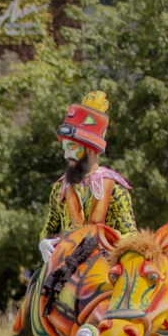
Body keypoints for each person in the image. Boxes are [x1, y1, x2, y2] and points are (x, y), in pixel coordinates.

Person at [39, 91, 136, 261]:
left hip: (103, 266)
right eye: (65, 148)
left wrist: (110, 242)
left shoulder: (115, 188)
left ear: (90, 150)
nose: (66, 155)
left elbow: (131, 233)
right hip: (63, 263)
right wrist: (44, 242)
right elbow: (50, 226)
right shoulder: (59, 188)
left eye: (72, 148)